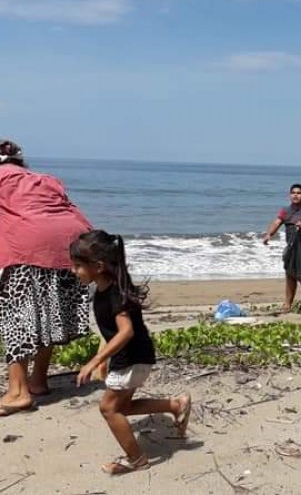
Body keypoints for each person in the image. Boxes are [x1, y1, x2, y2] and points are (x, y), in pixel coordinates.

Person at [70, 230, 191, 475]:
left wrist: (94, 362)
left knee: (109, 408)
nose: (74, 271)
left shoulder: (115, 293)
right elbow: (111, 332)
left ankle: (136, 459)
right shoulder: (105, 290)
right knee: (121, 408)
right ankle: (175, 405)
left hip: (133, 358)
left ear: (99, 266)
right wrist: (104, 358)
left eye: (77, 266)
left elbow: (125, 332)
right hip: (133, 357)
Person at [0, 140, 93, 415]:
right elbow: (69, 210)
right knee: (49, 316)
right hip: (70, 245)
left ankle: (17, 393)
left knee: (19, 319)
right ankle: (38, 381)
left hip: (28, 247)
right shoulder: (46, 180)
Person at [262, 184, 301, 311]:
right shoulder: (285, 210)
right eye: (293, 192)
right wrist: (269, 234)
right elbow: (277, 222)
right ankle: (288, 303)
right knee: (290, 273)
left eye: (299, 193)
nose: (295, 195)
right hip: (291, 245)